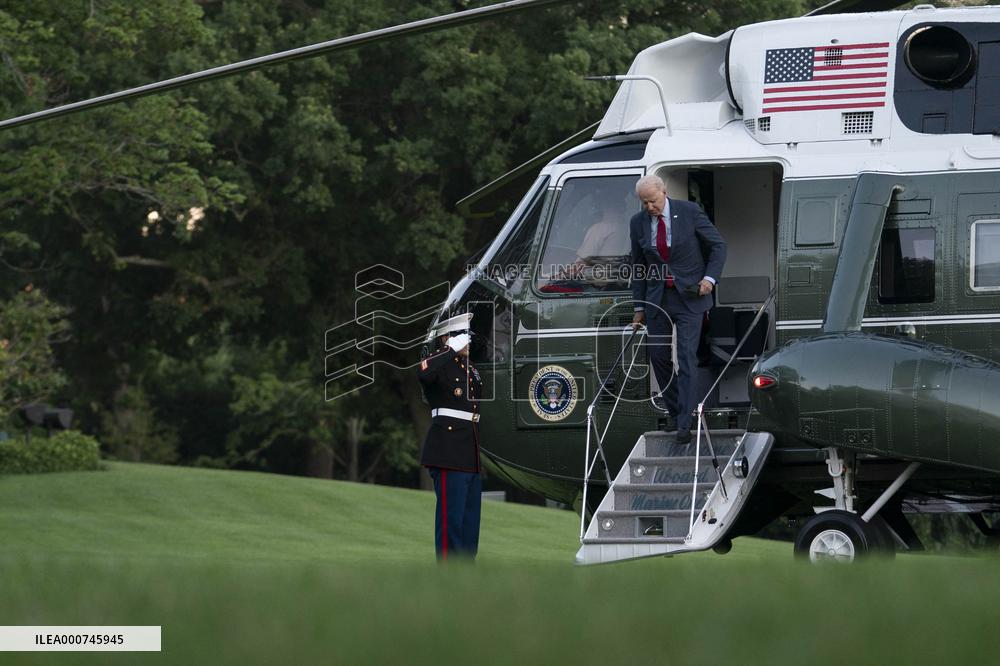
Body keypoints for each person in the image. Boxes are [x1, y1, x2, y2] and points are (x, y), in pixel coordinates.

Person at [629, 175, 726, 444]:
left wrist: (709, 279)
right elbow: (638, 266)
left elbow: (718, 246)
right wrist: (639, 306)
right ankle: (675, 409)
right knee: (658, 357)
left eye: (653, 201)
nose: (650, 207)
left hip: (690, 297)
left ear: (664, 192)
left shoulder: (689, 211)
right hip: (657, 299)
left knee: (686, 357)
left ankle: (684, 421)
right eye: (645, 203)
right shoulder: (637, 222)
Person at [416, 312, 483, 560]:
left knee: (469, 523)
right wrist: (448, 349)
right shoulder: (440, 363)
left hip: (469, 452)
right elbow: (423, 373)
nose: (468, 342)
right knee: (450, 521)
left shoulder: (470, 369)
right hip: (448, 450)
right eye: (462, 337)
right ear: (447, 338)